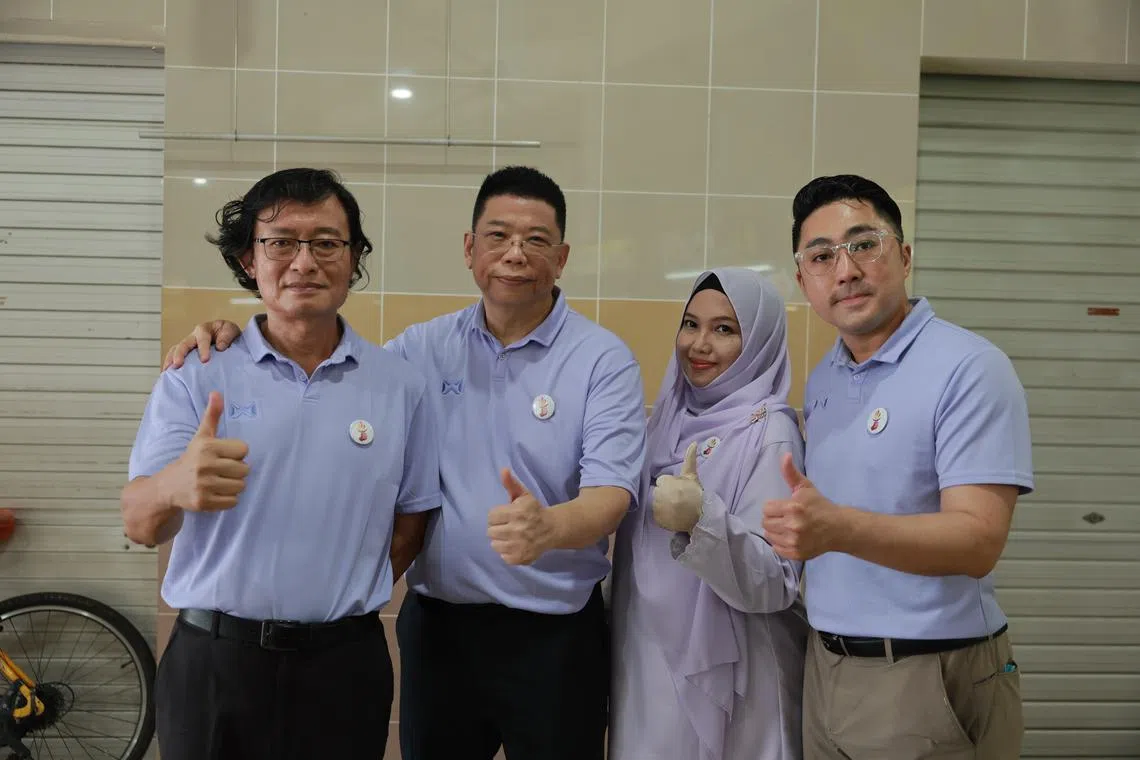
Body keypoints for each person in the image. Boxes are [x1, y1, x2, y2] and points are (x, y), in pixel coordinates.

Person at [159, 165, 647, 760]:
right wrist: (234, 336)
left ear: (562, 257)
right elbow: (327, 364)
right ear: (469, 249)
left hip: (555, 635)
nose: (515, 253)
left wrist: (550, 527)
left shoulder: (602, 360)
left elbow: (611, 495)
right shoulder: (420, 350)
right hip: (440, 631)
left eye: (536, 239)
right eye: (497, 236)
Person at [121, 168, 441, 760]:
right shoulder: (196, 374)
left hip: (345, 669)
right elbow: (140, 524)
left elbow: (411, 523)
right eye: (281, 242)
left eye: (326, 242)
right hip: (213, 664)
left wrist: (337, 596)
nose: (304, 262)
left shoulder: (400, 386)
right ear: (249, 259)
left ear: (353, 258)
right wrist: (172, 485)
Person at [761, 174, 1033, 760]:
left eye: (864, 244)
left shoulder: (969, 368)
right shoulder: (827, 376)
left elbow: (978, 542)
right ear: (803, 280)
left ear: (904, 257)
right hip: (826, 666)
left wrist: (837, 529)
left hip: (927, 671)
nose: (845, 270)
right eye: (821, 256)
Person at [608, 267, 808, 760]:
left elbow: (776, 580)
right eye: (690, 324)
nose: (699, 344)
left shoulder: (771, 434)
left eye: (724, 329)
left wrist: (702, 519)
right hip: (648, 661)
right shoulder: (664, 422)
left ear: (758, 342)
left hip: (733, 676)